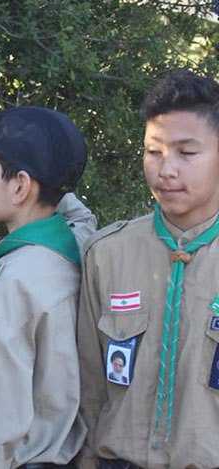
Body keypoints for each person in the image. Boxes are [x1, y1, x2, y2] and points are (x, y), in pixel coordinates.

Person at [77, 69, 219, 469]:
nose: (166, 169)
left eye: (187, 154)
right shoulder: (107, 253)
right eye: (153, 152)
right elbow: (89, 387)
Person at [0, 106, 96, 469]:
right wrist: (56, 182)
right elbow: (80, 215)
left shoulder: (8, 285)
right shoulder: (80, 245)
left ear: (20, 186)